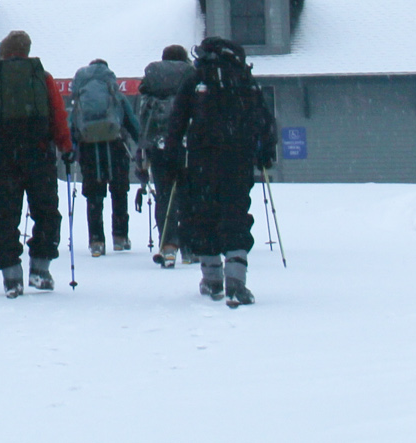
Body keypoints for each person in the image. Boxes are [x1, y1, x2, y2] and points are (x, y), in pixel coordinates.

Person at [158, 35, 277, 306]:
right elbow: (264, 119)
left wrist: (173, 158)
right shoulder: (243, 79)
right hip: (238, 159)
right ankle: (236, 280)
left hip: (201, 159)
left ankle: (212, 278)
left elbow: (177, 122)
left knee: (204, 215)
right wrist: (265, 152)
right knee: (235, 213)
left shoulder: (196, 78)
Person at [0, 28, 70, 296]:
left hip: (5, 156)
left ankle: (11, 275)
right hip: (40, 155)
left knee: (5, 215)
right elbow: (58, 116)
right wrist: (65, 145)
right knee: (46, 211)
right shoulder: (42, 78)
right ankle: (40, 269)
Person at [67, 57, 140, 256]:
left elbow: (71, 124)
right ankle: (120, 237)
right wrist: (140, 143)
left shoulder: (80, 96)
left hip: (89, 149)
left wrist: (70, 149)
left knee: (94, 194)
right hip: (116, 146)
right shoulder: (115, 94)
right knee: (119, 191)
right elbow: (132, 122)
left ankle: (96, 240)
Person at [136, 43, 195, 266]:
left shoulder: (152, 80)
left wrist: (142, 151)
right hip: (185, 143)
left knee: (164, 194)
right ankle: (189, 246)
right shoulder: (191, 76)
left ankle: (168, 245)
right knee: (188, 193)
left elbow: (142, 116)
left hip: (157, 143)